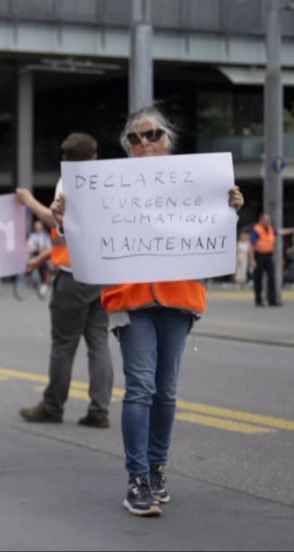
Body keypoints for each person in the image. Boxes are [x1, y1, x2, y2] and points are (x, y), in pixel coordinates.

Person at [51, 106, 244, 517]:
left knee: (167, 392)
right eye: (135, 138)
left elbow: (215, 225)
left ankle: (157, 471)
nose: (144, 143)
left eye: (152, 134)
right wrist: (62, 218)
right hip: (130, 299)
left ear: (167, 139)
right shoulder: (105, 185)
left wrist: (230, 206)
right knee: (140, 387)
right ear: (126, 146)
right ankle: (136, 479)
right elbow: (79, 232)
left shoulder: (197, 181)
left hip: (179, 298)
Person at [16, 132, 112, 429]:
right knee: (99, 343)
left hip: (73, 277)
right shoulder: (111, 183)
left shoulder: (68, 183)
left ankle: (52, 406)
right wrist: (45, 257)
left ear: (65, 160)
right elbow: (74, 235)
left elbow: (60, 225)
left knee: (63, 345)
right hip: (103, 275)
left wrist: (30, 201)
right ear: (95, 156)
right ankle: (99, 410)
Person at [250, 212, 294, 306]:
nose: (267, 222)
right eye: (265, 220)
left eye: (268, 220)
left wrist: (291, 230)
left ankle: (272, 300)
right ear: (261, 220)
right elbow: (252, 246)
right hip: (259, 256)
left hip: (268, 256)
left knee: (271, 277)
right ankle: (258, 300)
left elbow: (280, 232)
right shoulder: (257, 230)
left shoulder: (270, 229)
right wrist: (252, 260)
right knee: (258, 279)